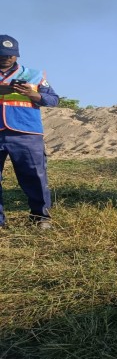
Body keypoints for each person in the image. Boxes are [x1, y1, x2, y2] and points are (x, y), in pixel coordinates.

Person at [0, 34, 59, 229]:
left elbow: (53, 100)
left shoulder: (33, 74)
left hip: (26, 133)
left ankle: (40, 217)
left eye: (10, 55)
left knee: (34, 176)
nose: (7, 58)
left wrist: (33, 94)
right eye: (2, 54)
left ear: (16, 55)